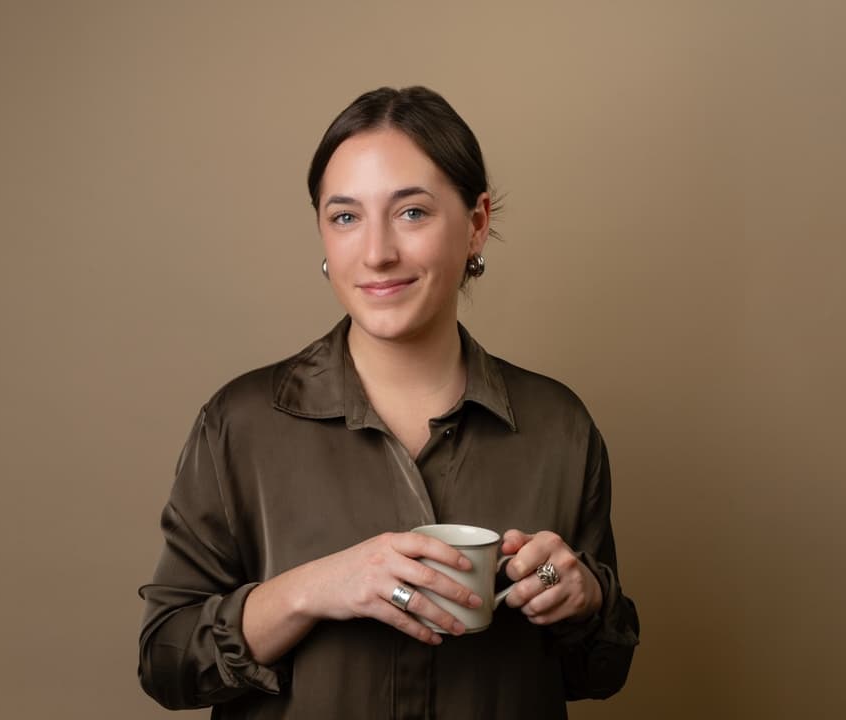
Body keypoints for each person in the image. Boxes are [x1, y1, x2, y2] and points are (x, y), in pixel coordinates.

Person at [138, 86, 640, 719]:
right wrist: (310, 590)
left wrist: (584, 598)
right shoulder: (238, 425)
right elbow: (166, 663)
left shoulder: (558, 427)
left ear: (477, 223)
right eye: (345, 216)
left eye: (412, 213)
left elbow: (602, 672)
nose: (376, 253)